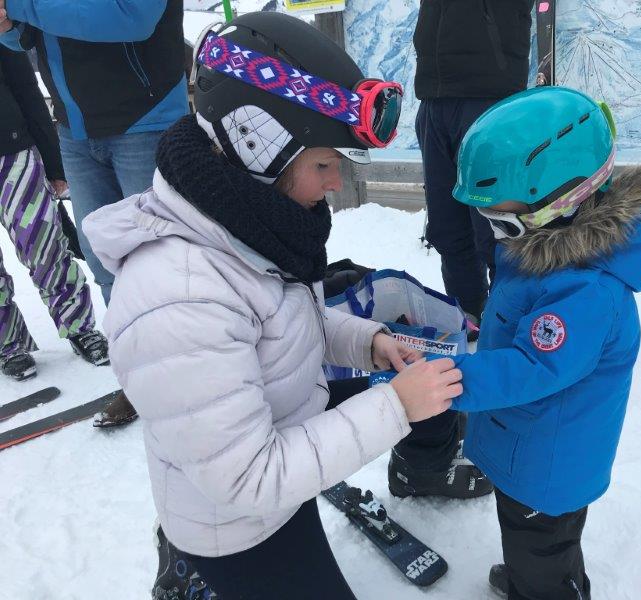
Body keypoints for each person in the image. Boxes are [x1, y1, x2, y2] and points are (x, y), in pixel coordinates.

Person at [82, 13, 465, 599]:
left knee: (433, 396)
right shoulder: (181, 294)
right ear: (256, 142)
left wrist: (368, 341)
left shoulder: (250, 224)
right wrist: (392, 406)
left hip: (277, 441)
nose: (336, 182)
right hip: (237, 519)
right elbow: (248, 479)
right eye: (323, 163)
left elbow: (283, 319)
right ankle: (192, 571)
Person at [448, 86, 641, 599]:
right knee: (530, 543)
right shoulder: (548, 253)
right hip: (528, 445)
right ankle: (534, 579)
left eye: (502, 219)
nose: (496, 233)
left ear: (560, 202)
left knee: (544, 550)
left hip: (548, 464)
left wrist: (441, 380)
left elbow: (529, 368)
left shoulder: (586, 292)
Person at [0, 0, 188, 424]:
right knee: (107, 265)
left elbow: (132, 17)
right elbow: (27, 39)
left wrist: (22, 7)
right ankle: (140, 380)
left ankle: (186, 378)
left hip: (146, 122)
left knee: (165, 265)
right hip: (76, 131)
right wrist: (9, 25)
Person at [413, 0, 534, 328]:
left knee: (497, 227)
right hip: (433, 95)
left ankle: (508, 321)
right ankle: (468, 314)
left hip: (490, 95)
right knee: (447, 228)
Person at [0, 45, 108, 380]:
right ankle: (8, 345)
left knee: (45, 249)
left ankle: (79, 326)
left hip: (12, 151)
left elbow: (25, 88)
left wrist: (53, 162)